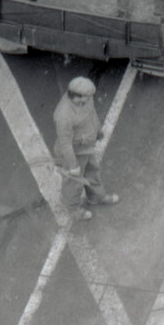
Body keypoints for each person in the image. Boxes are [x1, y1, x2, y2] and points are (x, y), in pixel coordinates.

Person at [52, 76, 119, 220]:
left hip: (87, 146)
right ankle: (73, 209)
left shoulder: (86, 101)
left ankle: (96, 197)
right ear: (77, 97)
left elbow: (92, 115)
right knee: (74, 183)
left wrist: (98, 130)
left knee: (92, 171)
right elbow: (65, 143)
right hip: (74, 152)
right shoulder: (63, 115)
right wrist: (73, 165)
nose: (90, 99)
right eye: (87, 97)